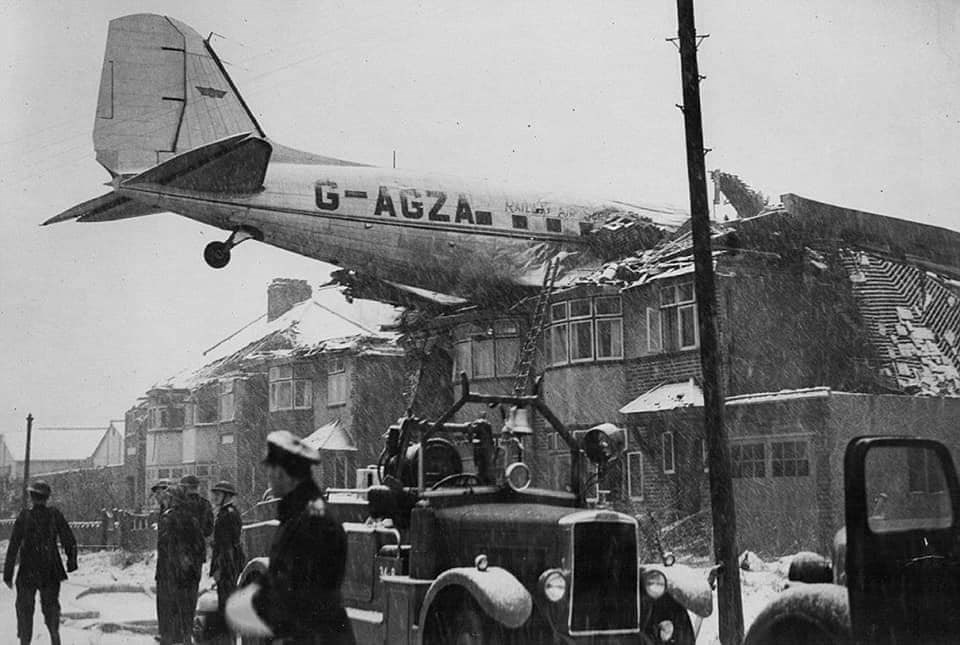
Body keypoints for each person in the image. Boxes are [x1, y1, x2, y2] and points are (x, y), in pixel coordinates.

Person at [227, 430, 355, 644]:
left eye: (270, 473)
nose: (268, 481)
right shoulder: (300, 515)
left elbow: (293, 591)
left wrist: (234, 613)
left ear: (283, 474)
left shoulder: (312, 521)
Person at [3, 480, 78, 645]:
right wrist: (71, 562)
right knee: (51, 609)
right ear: (47, 497)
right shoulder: (54, 515)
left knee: (24, 611)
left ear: (31, 497)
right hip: (50, 570)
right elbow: (69, 540)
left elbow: (14, 545)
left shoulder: (24, 516)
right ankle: (54, 637)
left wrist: (8, 573)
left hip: (28, 571)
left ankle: (25, 640)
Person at [156, 484, 206, 645]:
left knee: (171, 608)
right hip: (188, 572)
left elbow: (166, 547)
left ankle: (172, 638)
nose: (165, 500)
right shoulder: (192, 517)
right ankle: (185, 637)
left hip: (173, 571)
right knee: (187, 608)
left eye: (167, 497)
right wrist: (192, 564)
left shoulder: (170, 517)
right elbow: (200, 546)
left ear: (173, 499)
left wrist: (177, 563)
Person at [209, 480, 245, 639]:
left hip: (228, 566)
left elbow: (226, 547)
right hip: (229, 564)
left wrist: (220, 569)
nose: (215, 497)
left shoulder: (227, 515)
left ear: (227, 496)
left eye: (218, 494)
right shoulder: (226, 513)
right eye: (215, 494)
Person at [180, 474, 215, 539]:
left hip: (182, 545)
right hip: (199, 544)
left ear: (185, 488)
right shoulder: (206, 504)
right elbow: (209, 529)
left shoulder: (180, 504)